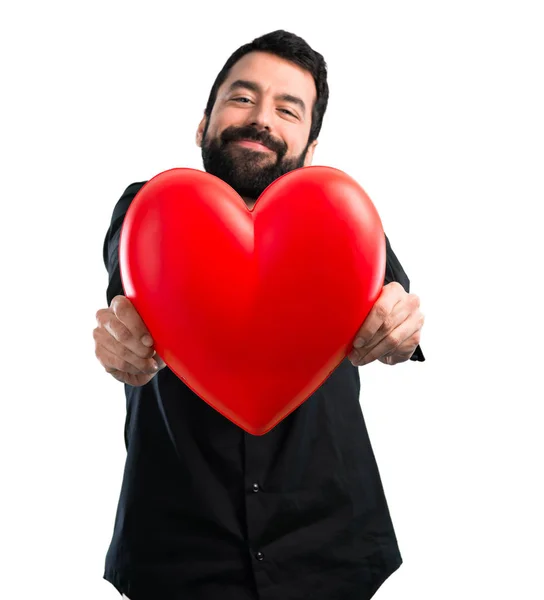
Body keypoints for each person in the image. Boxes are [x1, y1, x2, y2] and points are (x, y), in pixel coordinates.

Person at [93, 30, 425, 600]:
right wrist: (124, 343)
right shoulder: (149, 207)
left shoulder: (337, 214)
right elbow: (127, 279)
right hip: (177, 555)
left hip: (332, 549)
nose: (261, 119)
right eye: (242, 98)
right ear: (203, 124)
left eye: (288, 109)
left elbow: (392, 296)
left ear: (311, 148)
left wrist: (400, 329)